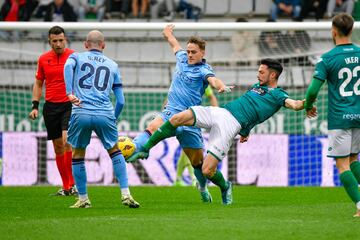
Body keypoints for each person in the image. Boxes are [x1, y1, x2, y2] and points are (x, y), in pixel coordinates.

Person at [131, 58, 305, 205]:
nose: (257, 74)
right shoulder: (257, 86)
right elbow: (253, 109)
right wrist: (247, 130)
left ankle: (225, 186)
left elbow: (295, 105)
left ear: (273, 75)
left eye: (261, 72)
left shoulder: (278, 95)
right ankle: (145, 148)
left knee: (207, 171)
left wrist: (307, 102)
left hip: (229, 127)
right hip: (221, 112)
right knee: (176, 119)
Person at [125, 24, 231, 204]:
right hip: (171, 111)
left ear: (202, 53)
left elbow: (212, 79)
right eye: (189, 51)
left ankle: (219, 187)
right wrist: (167, 33)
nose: (189, 55)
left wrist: (220, 86)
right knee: (152, 127)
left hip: (190, 118)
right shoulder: (181, 57)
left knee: (200, 165)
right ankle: (137, 149)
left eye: (194, 52)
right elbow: (174, 44)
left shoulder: (204, 70)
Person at [64, 30, 139, 209]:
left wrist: (69, 93)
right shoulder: (112, 65)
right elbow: (121, 100)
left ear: (85, 44)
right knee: (114, 151)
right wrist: (114, 117)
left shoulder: (77, 57)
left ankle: (83, 199)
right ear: (103, 45)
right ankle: (126, 194)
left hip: (81, 110)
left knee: (78, 154)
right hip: (104, 112)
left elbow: (67, 67)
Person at [304, 13, 360, 217]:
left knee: (342, 164)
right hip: (359, 114)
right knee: (354, 159)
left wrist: (308, 105)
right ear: (352, 30)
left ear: (333, 31)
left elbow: (312, 91)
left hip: (340, 117)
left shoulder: (327, 59)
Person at [28, 26, 76, 196]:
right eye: (54, 41)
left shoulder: (74, 56)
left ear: (66, 39)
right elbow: (39, 83)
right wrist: (35, 106)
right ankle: (66, 187)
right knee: (57, 148)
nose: (58, 44)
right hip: (51, 107)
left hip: (69, 104)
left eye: (61, 40)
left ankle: (73, 184)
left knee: (66, 140)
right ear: (49, 41)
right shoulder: (43, 59)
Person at [174, 85, 218, 187]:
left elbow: (211, 96)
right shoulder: (181, 81)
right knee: (188, 149)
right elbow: (170, 97)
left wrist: (216, 114)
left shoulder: (201, 82)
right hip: (180, 116)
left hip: (193, 117)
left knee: (185, 151)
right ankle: (193, 178)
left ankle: (178, 179)